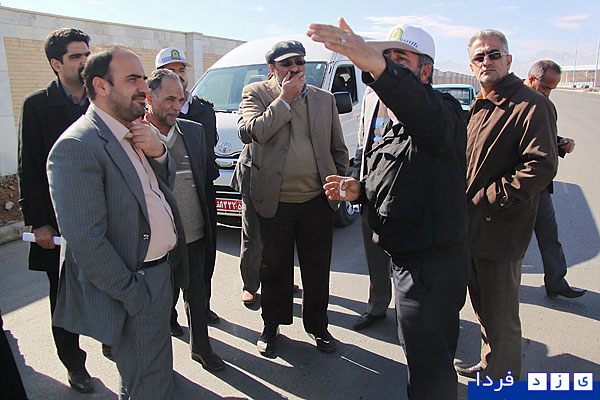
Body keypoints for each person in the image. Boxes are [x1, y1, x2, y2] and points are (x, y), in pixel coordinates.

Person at [308, 20, 470, 400]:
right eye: (386, 58)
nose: (389, 65)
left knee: (430, 373)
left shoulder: (443, 114)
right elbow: (400, 183)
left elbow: (425, 113)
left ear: (425, 72)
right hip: (406, 263)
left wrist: (379, 66)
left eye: (401, 59)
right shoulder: (396, 127)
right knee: (419, 359)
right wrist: (360, 190)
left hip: (430, 270)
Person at [47, 47, 189, 399]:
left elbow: (157, 188)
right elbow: (85, 241)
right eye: (132, 79)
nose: (143, 87)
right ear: (101, 86)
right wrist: (134, 295)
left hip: (158, 274)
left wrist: (159, 152)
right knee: (146, 383)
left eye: (143, 78)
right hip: (135, 284)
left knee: (156, 372)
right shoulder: (78, 145)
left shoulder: (134, 130)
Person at [456, 30, 558, 381]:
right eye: (479, 57)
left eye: (493, 54)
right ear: (472, 66)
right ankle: (491, 366)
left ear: (509, 60)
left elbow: (540, 166)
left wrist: (487, 199)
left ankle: (504, 382)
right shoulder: (482, 104)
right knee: (485, 310)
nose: (486, 61)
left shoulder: (531, 104)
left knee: (501, 317)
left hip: (500, 229)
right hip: (473, 227)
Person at [240, 39, 348, 356]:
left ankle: (318, 326)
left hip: (316, 201)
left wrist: (338, 187)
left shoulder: (324, 99)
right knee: (274, 269)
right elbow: (254, 131)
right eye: (286, 63)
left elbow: (338, 148)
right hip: (276, 201)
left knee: (317, 269)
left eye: (299, 61)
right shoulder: (256, 93)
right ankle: (271, 326)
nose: (295, 68)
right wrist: (285, 99)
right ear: (272, 68)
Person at [17, 28, 94, 393]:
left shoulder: (101, 97)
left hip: (102, 217)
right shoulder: (37, 105)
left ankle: (113, 343)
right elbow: (29, 168)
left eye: (87, 54)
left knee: (110, 288)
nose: (84, 62)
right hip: (59, 221)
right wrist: (39, 223)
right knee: (64, 298)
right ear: (56, 64)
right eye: (76, 56)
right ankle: (74, 365)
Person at [145, 68, 225, 371]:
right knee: (159, 303)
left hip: (194, 232)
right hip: (156, 240)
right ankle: (158, 366)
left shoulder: (193, 131)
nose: (176, 106)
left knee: (197, 294)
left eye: (180, 99)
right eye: (169, 99)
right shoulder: (134, 135)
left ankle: (201, 348)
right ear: (149, 98)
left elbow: (204, 178)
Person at [155, 47, 220, 327]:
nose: (179, 75)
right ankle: (169, 315)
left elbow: (209, 146)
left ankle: (201, 307)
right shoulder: (151, 114)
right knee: (170, 262)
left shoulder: (203, 108)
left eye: (181, 70)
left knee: (203, 257)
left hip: (201, 191)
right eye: (171, 70)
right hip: (168, 196)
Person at [524, 60, 585, 299]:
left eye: (552, 89)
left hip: (540, 187)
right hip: (519, 186)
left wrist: (560, 143)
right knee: (511, 243)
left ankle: (556, 281)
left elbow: (540, 139)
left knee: (549, 236)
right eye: (545, 87)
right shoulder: (513, 101)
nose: (548, 93)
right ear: (531, 79)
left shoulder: (543, 104)